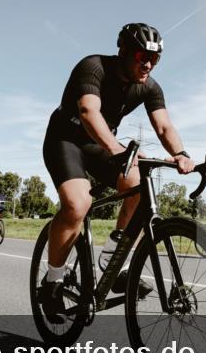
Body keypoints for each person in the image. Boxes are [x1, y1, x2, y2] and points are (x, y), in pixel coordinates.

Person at [39, 23, 194, 319]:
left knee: (137, 184)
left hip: (101, 145)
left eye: (155, 58)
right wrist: (118, 150)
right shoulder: (93, 67)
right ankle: (53, 282)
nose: (147, 63)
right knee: (77, 203)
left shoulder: (149, 86)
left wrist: (180, 153)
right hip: (66, 139)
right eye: (140, 55)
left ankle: (114, 260)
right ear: (123, 50)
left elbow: (163, 125)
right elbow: (88, 112)